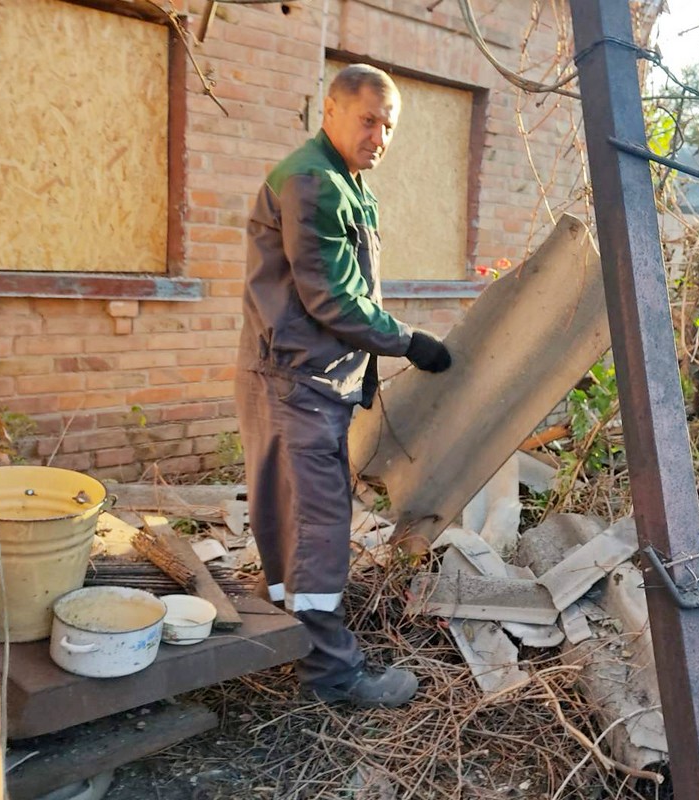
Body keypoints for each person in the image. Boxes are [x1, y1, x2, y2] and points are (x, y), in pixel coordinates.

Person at [235, 64, 451, 707]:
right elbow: (330, 296)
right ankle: (332, 675)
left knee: (285, 516)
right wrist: (409, 341)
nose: (380, 135)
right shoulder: (315, 181)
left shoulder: (344, 181)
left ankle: (286, 637)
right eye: (368, 119)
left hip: (285, 372)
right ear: (329, 111)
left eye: (389, 125)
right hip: (300, 383)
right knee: (320, 525)